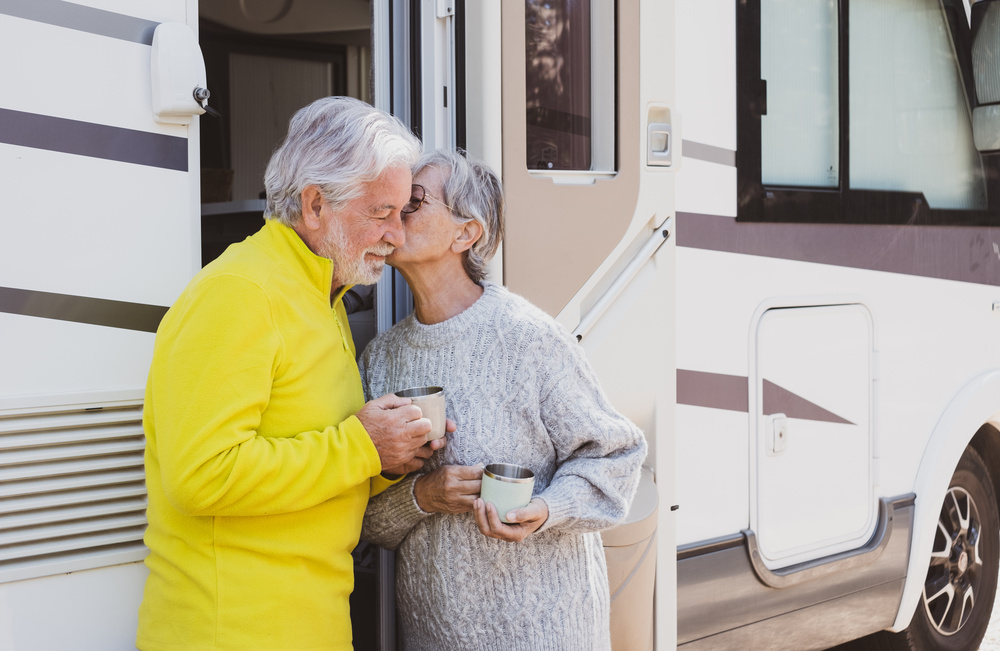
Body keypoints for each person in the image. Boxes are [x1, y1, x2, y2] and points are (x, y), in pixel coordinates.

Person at [137, 97, 447, 651]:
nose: (397, 236)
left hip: (306, 626)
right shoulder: (240, 293)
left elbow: (312, 463)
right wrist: (362, 447)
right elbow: (201, 475)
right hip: (232, 632)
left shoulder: (323, 296)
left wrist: (392, 457)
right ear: (314, 205)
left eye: (403, 214)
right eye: (381, 213)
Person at [359, 149, 648, 650]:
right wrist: (422, 497)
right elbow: (364, 520)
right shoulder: (383, 358)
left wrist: (547, 509)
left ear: (465, 233)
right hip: (435, 638)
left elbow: (617, 458)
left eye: (416, 200)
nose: (396, 211)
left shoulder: (528, 338)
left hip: (546, 635)